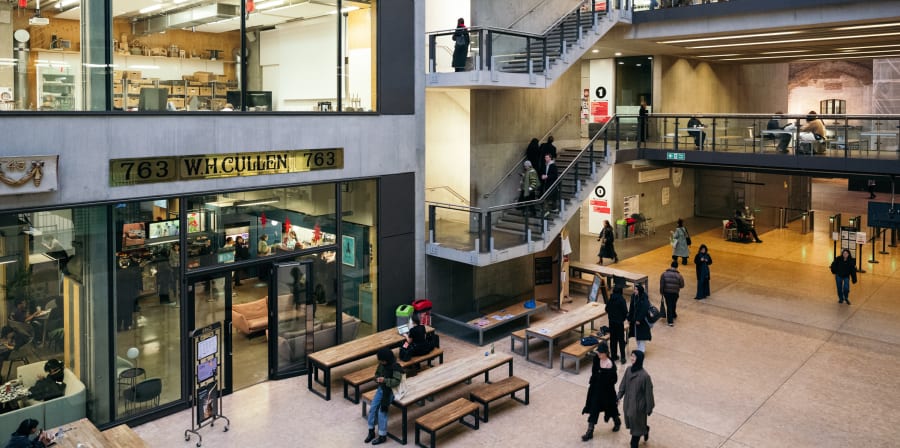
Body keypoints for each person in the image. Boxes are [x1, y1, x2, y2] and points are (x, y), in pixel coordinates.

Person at [581, 341, 621, 441]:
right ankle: (590, 431)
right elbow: (594, 373)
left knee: (611, 408)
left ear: (606, 353)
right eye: (598, 352)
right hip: (596, 390)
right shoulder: (596, 359)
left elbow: (613, 380)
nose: (598, 354)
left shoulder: (610, 364)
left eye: (600, 353)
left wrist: (600, 375)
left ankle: (617, 421)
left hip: (607, 392)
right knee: (594, 410)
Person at [617, 350, 655, 448]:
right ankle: (645, 429)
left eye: (634, 357)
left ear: (639, 359)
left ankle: (637, 439)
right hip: (628, 405)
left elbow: (649, 394)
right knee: (633, 424)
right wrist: (619, 396)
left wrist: (649, 408)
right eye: (631, 356)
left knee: (634, 438)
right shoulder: (628, 370)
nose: (632, 358)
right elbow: (623, 385)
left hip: (638, 408)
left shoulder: (645, 376)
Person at [365, 348, 403, 445]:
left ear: (387, 359)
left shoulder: (395, 367)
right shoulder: (382, 364)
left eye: (382, 360)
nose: (381, 362)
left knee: (382, 411)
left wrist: (385, 380)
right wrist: (377, 378)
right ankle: (371, 431)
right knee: (373, 408)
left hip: (390, 391)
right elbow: (377, 374)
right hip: (381, 389)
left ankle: (382, 435)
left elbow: (397, 381)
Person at [605, 286, 628, 364]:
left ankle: (614, 356)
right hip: (619, 323)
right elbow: (625, 311)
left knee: (613, 340)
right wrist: (623, 318)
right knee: (621, 340)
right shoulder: (622, 300)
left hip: (611, 322)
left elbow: (606, 309)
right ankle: (623, 357)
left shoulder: (610, 299)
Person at [659, 261, 685, 327]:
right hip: (675, 293)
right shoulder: (679, 276)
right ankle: (673, 315)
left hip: (667, 293)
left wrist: (661, 292)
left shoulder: (664, 274)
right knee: (673, 304)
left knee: (669, 305)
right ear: (677, 267)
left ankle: (670, 321)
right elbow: (682, 285)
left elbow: (662, 285)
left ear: (671, 265)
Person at [627, 284, 651, 353]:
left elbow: (644, 310)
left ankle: (641, 351)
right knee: (637, 335)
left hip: (642, 321)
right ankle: (639, 349)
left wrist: (639, 319)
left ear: (639, 290)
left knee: (642, 336)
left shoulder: (644, 298)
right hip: (635, 320)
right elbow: (631, 308)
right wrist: (629, 318)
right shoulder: (633, 296)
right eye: (634, 289)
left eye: (636, 289)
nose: (634, 291)